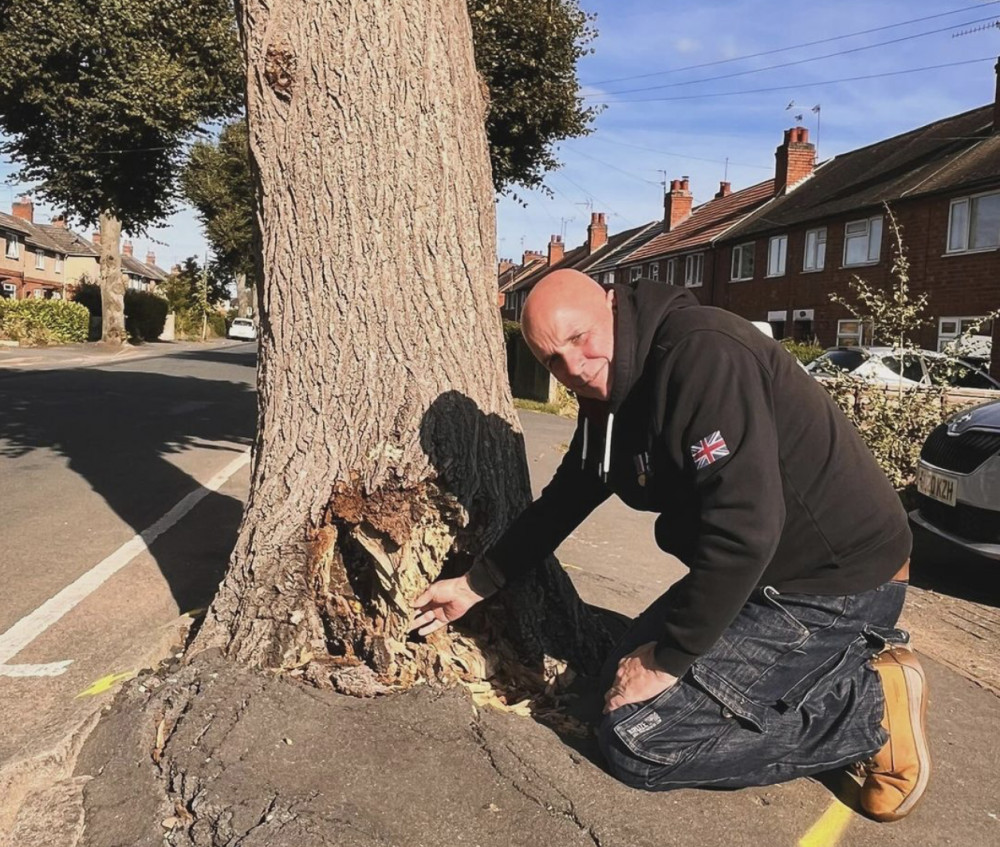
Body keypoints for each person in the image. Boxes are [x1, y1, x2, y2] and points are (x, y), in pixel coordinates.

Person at [411, 269, 929, 821]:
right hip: (761, 573)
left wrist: (668, 660)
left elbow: (744, 529)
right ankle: (818, 675)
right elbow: (569, 496)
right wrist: (476, 583)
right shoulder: (610, 396)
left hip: (831, 583)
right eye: (553, 362)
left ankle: (868, 708)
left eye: (579, 339)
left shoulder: (702, 355)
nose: (576, 369)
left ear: (611, 304)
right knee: (612, 685)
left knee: (639, 742)